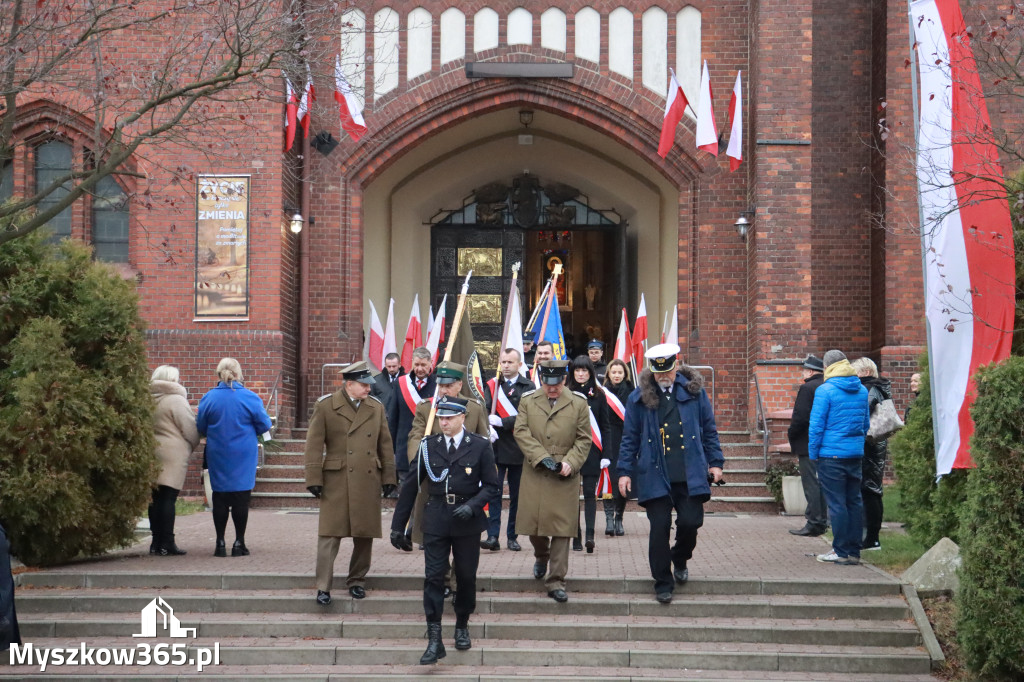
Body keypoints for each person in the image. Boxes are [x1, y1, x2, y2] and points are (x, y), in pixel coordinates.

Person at [390, 397, 500, 664]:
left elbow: (492, 485)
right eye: (441, 418)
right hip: (437, 517)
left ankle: (461, 624)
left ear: (463, 417)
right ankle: (434, 637)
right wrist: (397, 526)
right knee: (433, 577)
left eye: (450, 417)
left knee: (465, 576)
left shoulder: (480, 445)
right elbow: (411, 486)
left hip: (466, 520)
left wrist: (474, 506)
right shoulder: (429, 446)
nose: (444, 422)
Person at [617, 343, 724, 604]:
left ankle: (680, 557)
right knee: (659, 527)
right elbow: (629, 438)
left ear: (676, 365)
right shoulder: (638, 398)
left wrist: (715, 462)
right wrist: (624, 471)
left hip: (690, 471)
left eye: (668, 371)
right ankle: (663, 582)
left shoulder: (695, 393)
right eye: (659, 372)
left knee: (690, 522)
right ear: (652, 371)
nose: (664, 377)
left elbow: (709, 429)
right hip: (655, 472)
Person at [304, 361, 397, 604]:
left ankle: (357, 580)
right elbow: (314, 444)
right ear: (349, 385)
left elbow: (385, 444)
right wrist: (313, 477)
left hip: (367, 478)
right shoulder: (326, 406)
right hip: (336, 478)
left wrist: (389, 476)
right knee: (329, 535)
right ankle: (323, 586)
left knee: (364, 534)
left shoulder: (375, 408)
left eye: (369, 385)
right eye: (364, 385)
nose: (369, 389)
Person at [514, 360, 592, 603]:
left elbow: (584, 439)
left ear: (564, 380)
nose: (552, 389)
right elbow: (521, 431)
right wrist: (540, 457)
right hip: (536, 470)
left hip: (564, 474)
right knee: (533, 526)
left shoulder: (578, 403)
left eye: (556, 384)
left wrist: (571, 462)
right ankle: (541, 554)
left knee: (562, 528)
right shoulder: (528, 400)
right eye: (548, 384)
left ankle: (556, 580)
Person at [406, 361, 492, 549]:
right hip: (435, 481)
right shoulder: (426, 408)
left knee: (465, 542)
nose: (443, 390)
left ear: (459, 385)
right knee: (435, 541)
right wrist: (421, 463)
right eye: (440, 385)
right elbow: (415, 437)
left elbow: (483, 441)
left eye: (448, 385)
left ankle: (457, 576)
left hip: (465, 482)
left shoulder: (474, 408)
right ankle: (441, 576)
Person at [197, 358, 273, 558]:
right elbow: (265, 425)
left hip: (218, 451)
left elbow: (201, 426)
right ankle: (239, 542)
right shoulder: (250, 397)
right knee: (241, 497)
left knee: (219, 496)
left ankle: (220, 542)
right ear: (239, 374)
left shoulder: (209, 398)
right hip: (243, 453)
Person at [808, 350, 870, 566]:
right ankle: (854, 550)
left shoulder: (825, 391)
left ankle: (840, 550)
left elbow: (816, 426)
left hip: (830, 454)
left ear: (827, 367)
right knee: (854, 501)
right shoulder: (861, 390)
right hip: (854, 453)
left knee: (836, 504)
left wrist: (813, 454)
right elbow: (865, 425)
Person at [483, 348, 534, 551]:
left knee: (516, 495)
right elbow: (485, 408)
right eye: (503, 362)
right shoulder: (493, 385)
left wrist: (503, 422)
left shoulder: (528, 386)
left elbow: (527, 415)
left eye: (510, 362)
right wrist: (487, 423)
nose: (505, 366)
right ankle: (492, 536)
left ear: (519, 365)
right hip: (495, 448)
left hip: (517, 447)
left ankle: (512, 536)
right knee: (493, 492)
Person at [149, 365, 201, 556]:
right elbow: (189, 428)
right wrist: (191, 445)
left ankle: (155, 542)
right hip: (173, 454)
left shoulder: (147, 399)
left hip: (151, 450)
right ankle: (168, 543)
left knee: (155, 498)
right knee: (168, 498)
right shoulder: (176, 400)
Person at [566, 355, 611, 553]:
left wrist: (606, 454)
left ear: (591, 373)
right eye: (577, 370)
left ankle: (590, 536)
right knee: (572, 496)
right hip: (571, 451)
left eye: (585, 370)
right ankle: (575, 536)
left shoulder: (599, 395)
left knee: (590, 495)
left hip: (593, 451)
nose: (581, 374)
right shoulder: (566, 393)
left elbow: (605, 426)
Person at [851, 357, 891, 552]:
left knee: (871, 490)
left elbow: (862, 412)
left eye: (855, 372)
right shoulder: (878, 388)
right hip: (875, 443)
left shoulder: (869, 389)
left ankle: (873, 539)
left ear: (866, 372)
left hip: (870, 445)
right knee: (870, 489)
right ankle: (870, 536)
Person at [787, 355, 828, 537]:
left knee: (811, 483)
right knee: (821, 483)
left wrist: (791, 435)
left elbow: (800, 417)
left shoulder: (807, 388)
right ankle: (822, 520)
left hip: (807, 442)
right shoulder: (826, 387)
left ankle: (814, 522)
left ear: (810, 371)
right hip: (825, 442)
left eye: (804, 370)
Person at [391, 347, 436, 484]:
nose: (420, 369)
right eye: (416, 364)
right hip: (404, 447)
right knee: (406, 493)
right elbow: (393, 417)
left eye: (423, 365)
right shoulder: (400, 383)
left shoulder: (438, 385)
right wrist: (391, 449)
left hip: (432, 447)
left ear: (431, 363)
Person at [602, 359, 634, 536]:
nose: (616, 375)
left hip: (625, 439)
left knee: (622, 478)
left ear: (625, 374)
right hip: (607, 438)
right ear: (608, 374)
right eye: (613, 372)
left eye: (619, 372)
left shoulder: (632, 392)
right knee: (608, 479)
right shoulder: (601, 392)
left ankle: (619, 518)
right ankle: (608, 518)